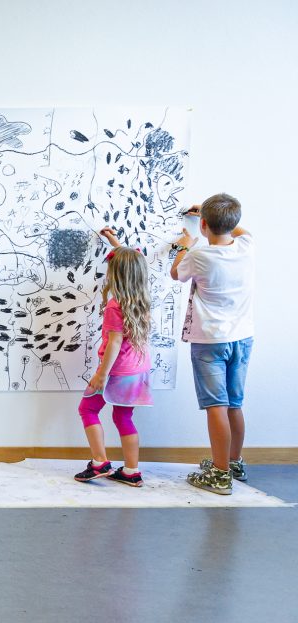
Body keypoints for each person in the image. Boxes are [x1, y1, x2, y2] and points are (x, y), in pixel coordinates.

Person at [171, 194, 254, 495]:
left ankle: (219, 476)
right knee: (234, 403)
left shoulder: (199, 256)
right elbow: (241, 231)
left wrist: (185, 243)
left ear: (203, 224)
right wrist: (213, 216)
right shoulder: (246, 247)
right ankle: (233, 463)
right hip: (242, 338)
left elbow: (175, 273)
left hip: (210, 341)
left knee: (216, 405)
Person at [74, 229, 153, 487]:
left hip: (116, 372)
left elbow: (115, 343)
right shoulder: (142, 299)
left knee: (87, 409)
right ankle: (131, 471)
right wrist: (114, 242)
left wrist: (101, 375)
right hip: (137, 371)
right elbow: (131, 261)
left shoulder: (114, 305)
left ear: (115, 275)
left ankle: (100, 462)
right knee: (123, 417)